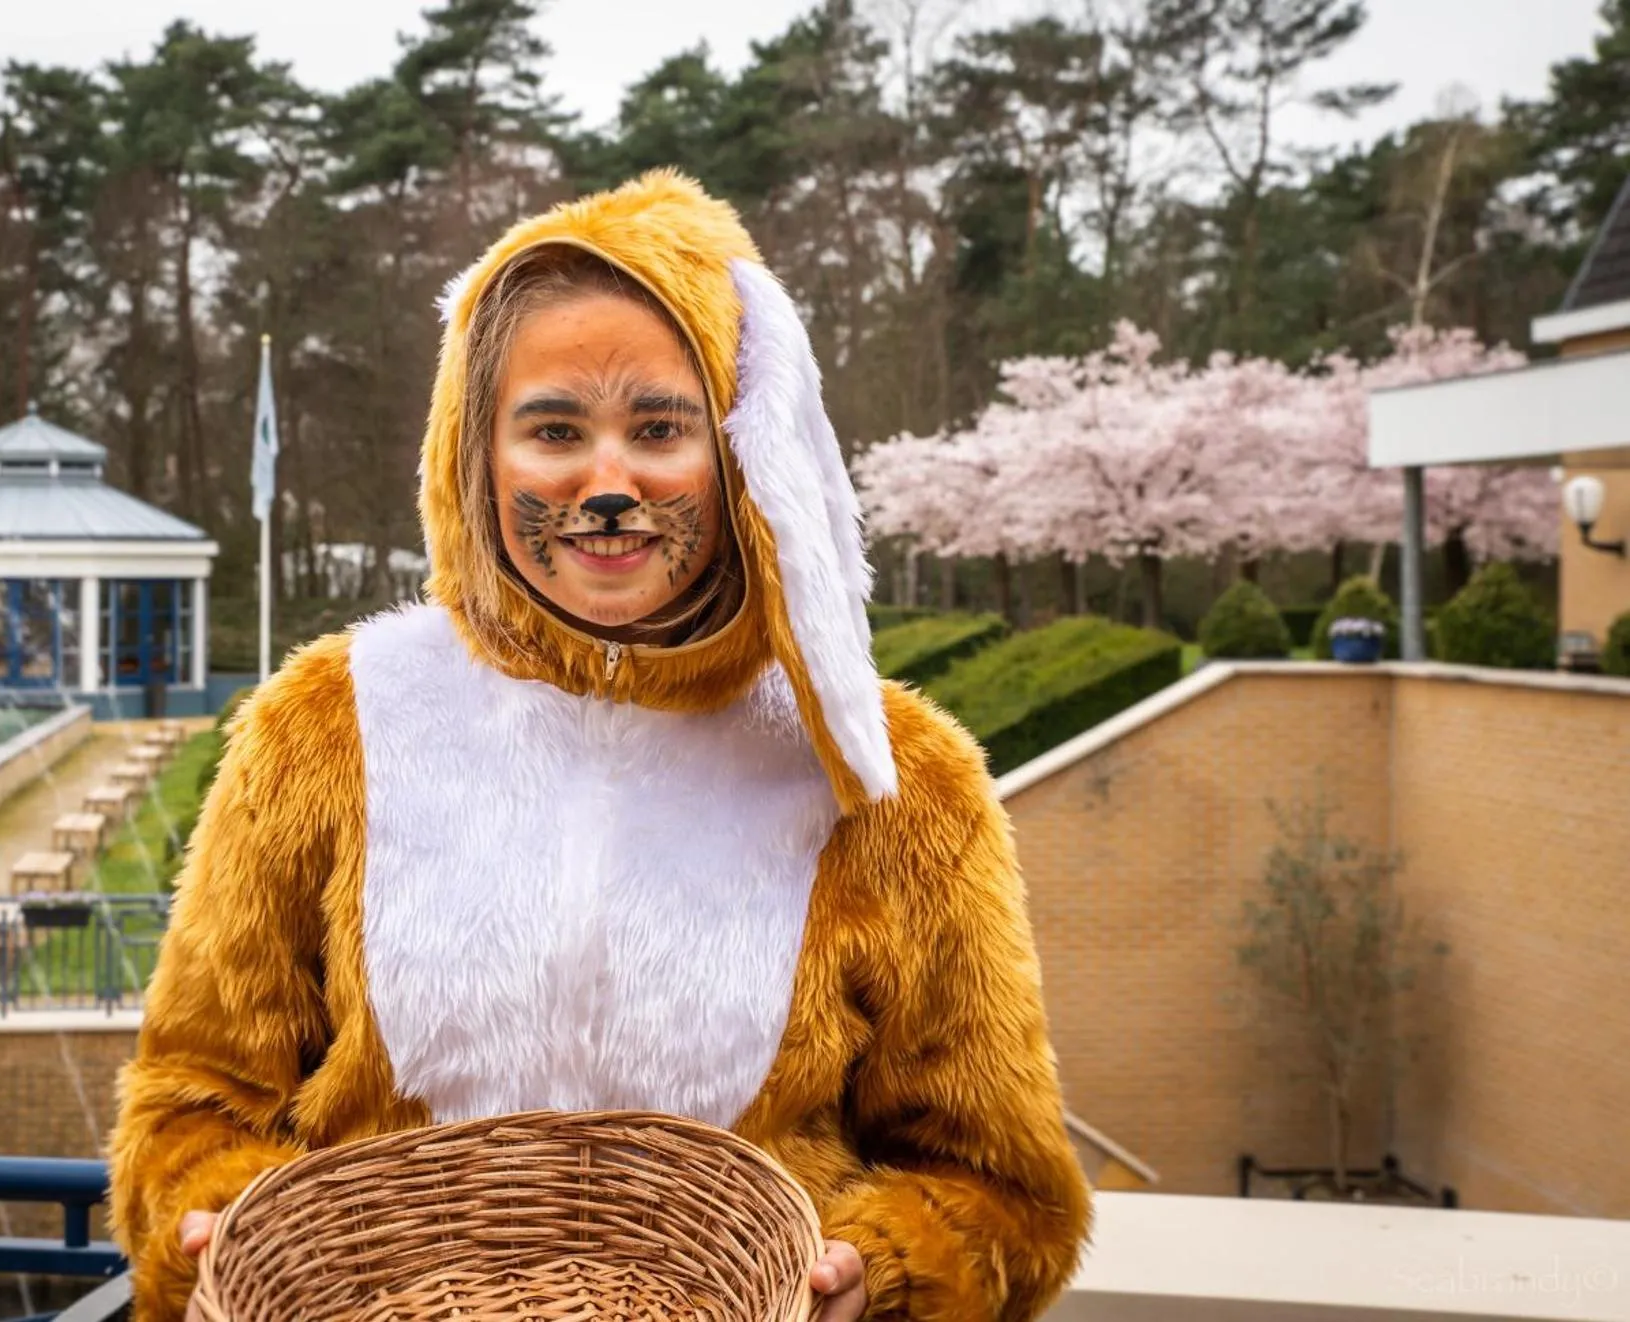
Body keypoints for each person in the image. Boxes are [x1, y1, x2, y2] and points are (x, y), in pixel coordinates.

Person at [109, 171, 1092, 1321]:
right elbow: (192, 1102)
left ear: (741, 451)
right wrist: (219, 1217)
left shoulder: (896, 776)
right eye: (555, 429)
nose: (608, 484)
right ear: (477, 455)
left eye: (661, 427)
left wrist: (883, 1265)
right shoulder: (327, 727)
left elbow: (1006, 1193)